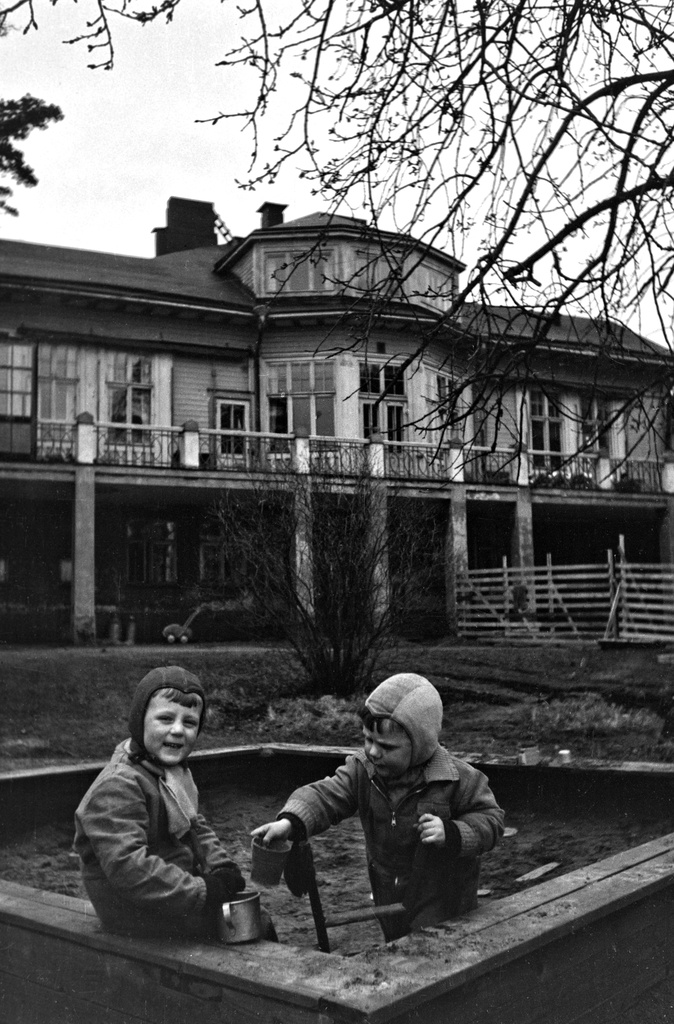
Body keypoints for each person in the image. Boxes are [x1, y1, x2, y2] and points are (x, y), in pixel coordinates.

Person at [252, 673, 504, 940]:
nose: (373, 752)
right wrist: (290, 821)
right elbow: (328, 794)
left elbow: (491, 819)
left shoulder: (456, 778)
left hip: (441, 891)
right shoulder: (364, 770)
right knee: (396, 944)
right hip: (386, 884)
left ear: (420, 745)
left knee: (430, 950)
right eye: (368, 740)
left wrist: (453, 832)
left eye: (385, 746)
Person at [74, 665, 263, 940]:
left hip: (170, 892)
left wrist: (221, 867)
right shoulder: (118, 786)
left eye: (189, 723)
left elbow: (193, 825)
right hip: (132, 911)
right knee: (250, 929)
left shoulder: (172, 773)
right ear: (140, 722)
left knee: (251, 921)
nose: (178, 730)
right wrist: (203, 891)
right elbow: (129, 868)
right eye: (165, 719)